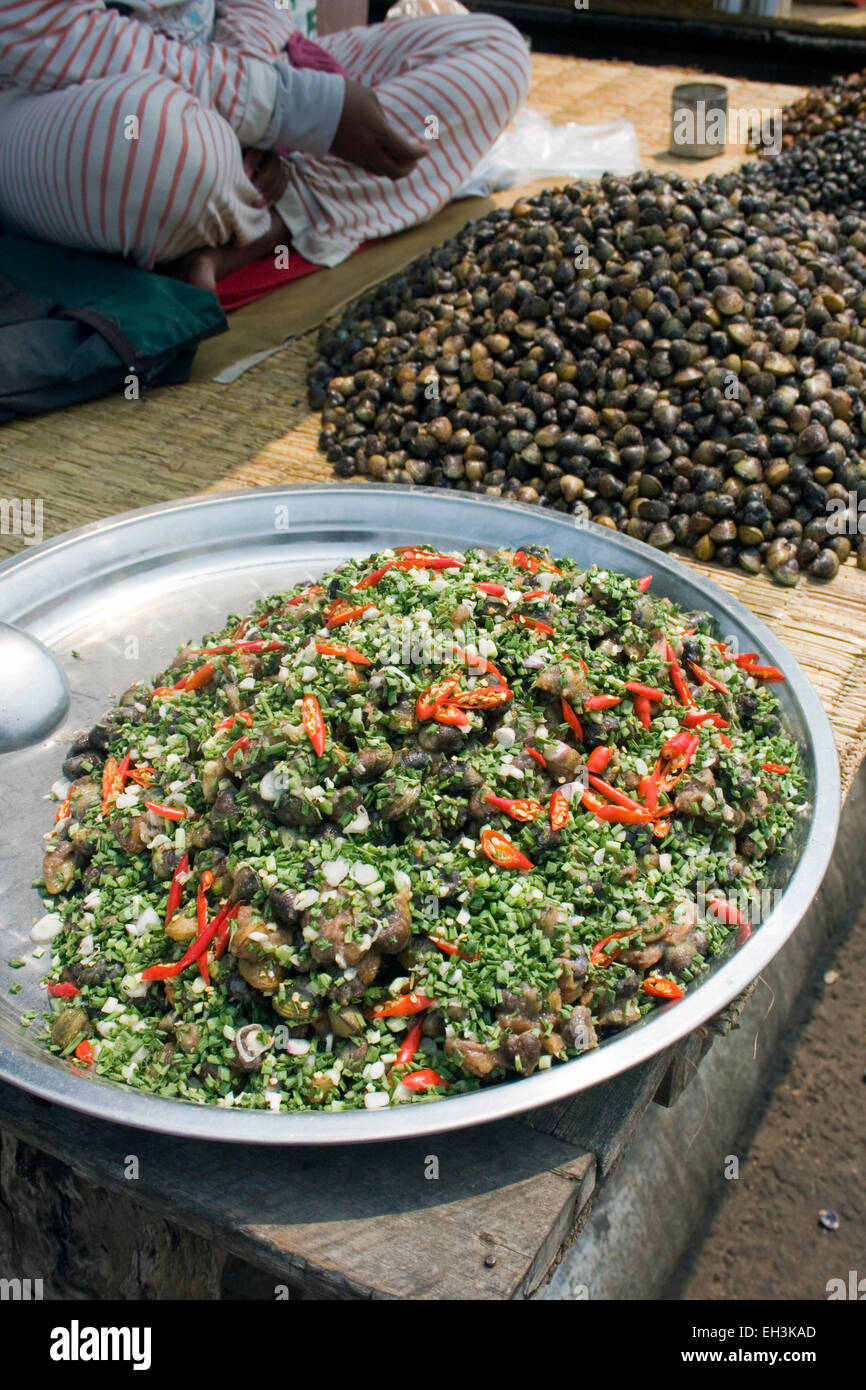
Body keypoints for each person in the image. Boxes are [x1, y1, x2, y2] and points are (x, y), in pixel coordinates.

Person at [0, 2, 530, 289]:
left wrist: (269, 103)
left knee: (493, 52)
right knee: (150, 137)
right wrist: (285, 109)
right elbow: (44, 35)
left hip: (243, 71)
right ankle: (259, 203)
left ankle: (282, 213)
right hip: (56, 104)